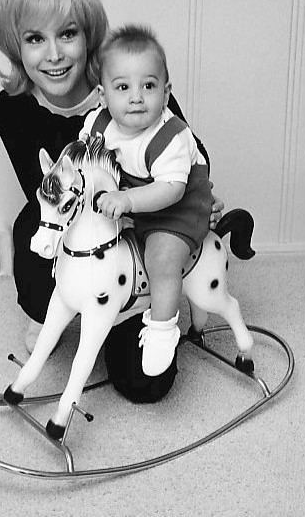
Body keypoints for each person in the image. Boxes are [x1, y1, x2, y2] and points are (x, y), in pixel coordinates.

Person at [0, 0, 224, 403]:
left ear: (88, 35)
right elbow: (48, 194)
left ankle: (149, 317)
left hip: (145, 225)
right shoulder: (13, 109)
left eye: (68, 34)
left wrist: (197, 198)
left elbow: (190, 151)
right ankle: (55, 310)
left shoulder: (127, 82)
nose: (54, 54)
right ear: (14, 44)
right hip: (77, 221)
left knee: (144, 385)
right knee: (34, 229)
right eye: (35, 38)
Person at [80, 24, 213, 377]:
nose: (136, 97)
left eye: (148, 86)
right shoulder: (99, 123)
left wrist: (125, 199)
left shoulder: (170, 136)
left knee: (161, 258)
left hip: (178, 210)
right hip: (130, 204)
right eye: (122, 87)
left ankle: (162, 327)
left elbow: (171, 190)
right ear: (102, 94)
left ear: (166, 93)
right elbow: (86, 159)